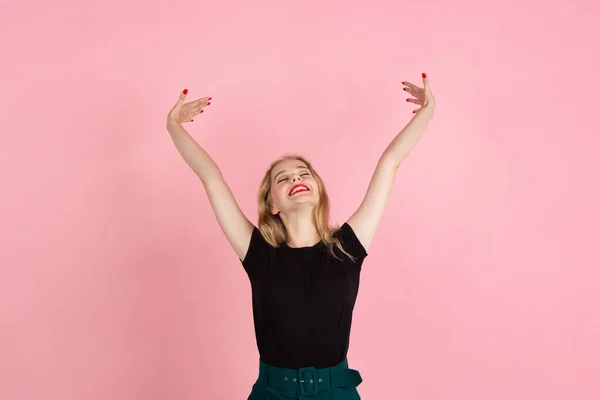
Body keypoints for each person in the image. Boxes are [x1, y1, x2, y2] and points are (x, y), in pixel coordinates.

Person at [165, 74, 435, 399]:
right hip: (272, 392)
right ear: (273, 205)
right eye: (284, 178)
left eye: (304, 173)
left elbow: (389, 163)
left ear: (318, 190)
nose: (296, 178)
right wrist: (174, 126)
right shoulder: (258, 253)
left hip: (336, 392)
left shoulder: (347, 247)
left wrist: (428, 112)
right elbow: (211, 177)